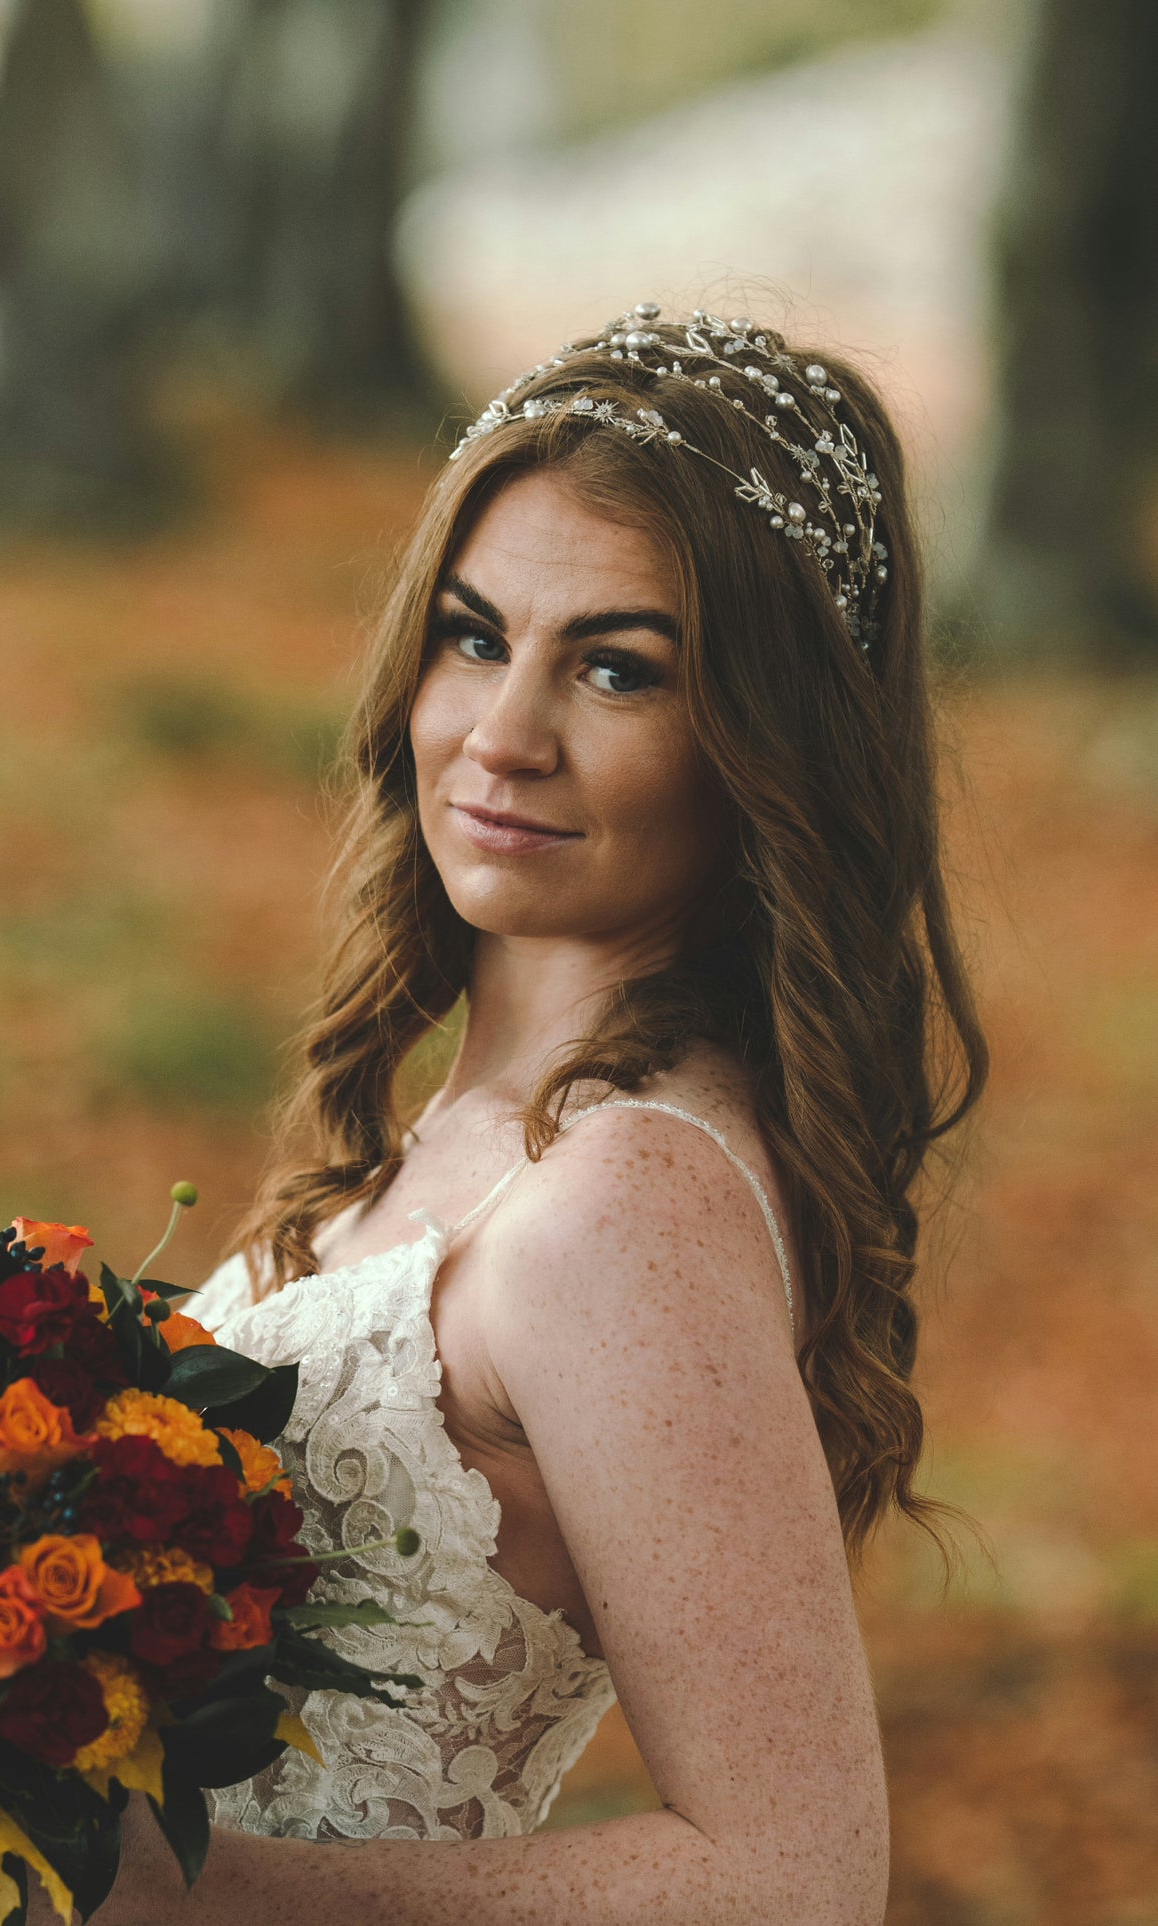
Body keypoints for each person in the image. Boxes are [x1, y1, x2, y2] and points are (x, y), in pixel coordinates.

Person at [98, 303, 987, 1922]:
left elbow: (791, 1878)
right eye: (472, 635)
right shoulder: (461, 1136)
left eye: (617, 667)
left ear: (761, 739)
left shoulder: (623, 1198)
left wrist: (194, 1891)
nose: (503, 736)